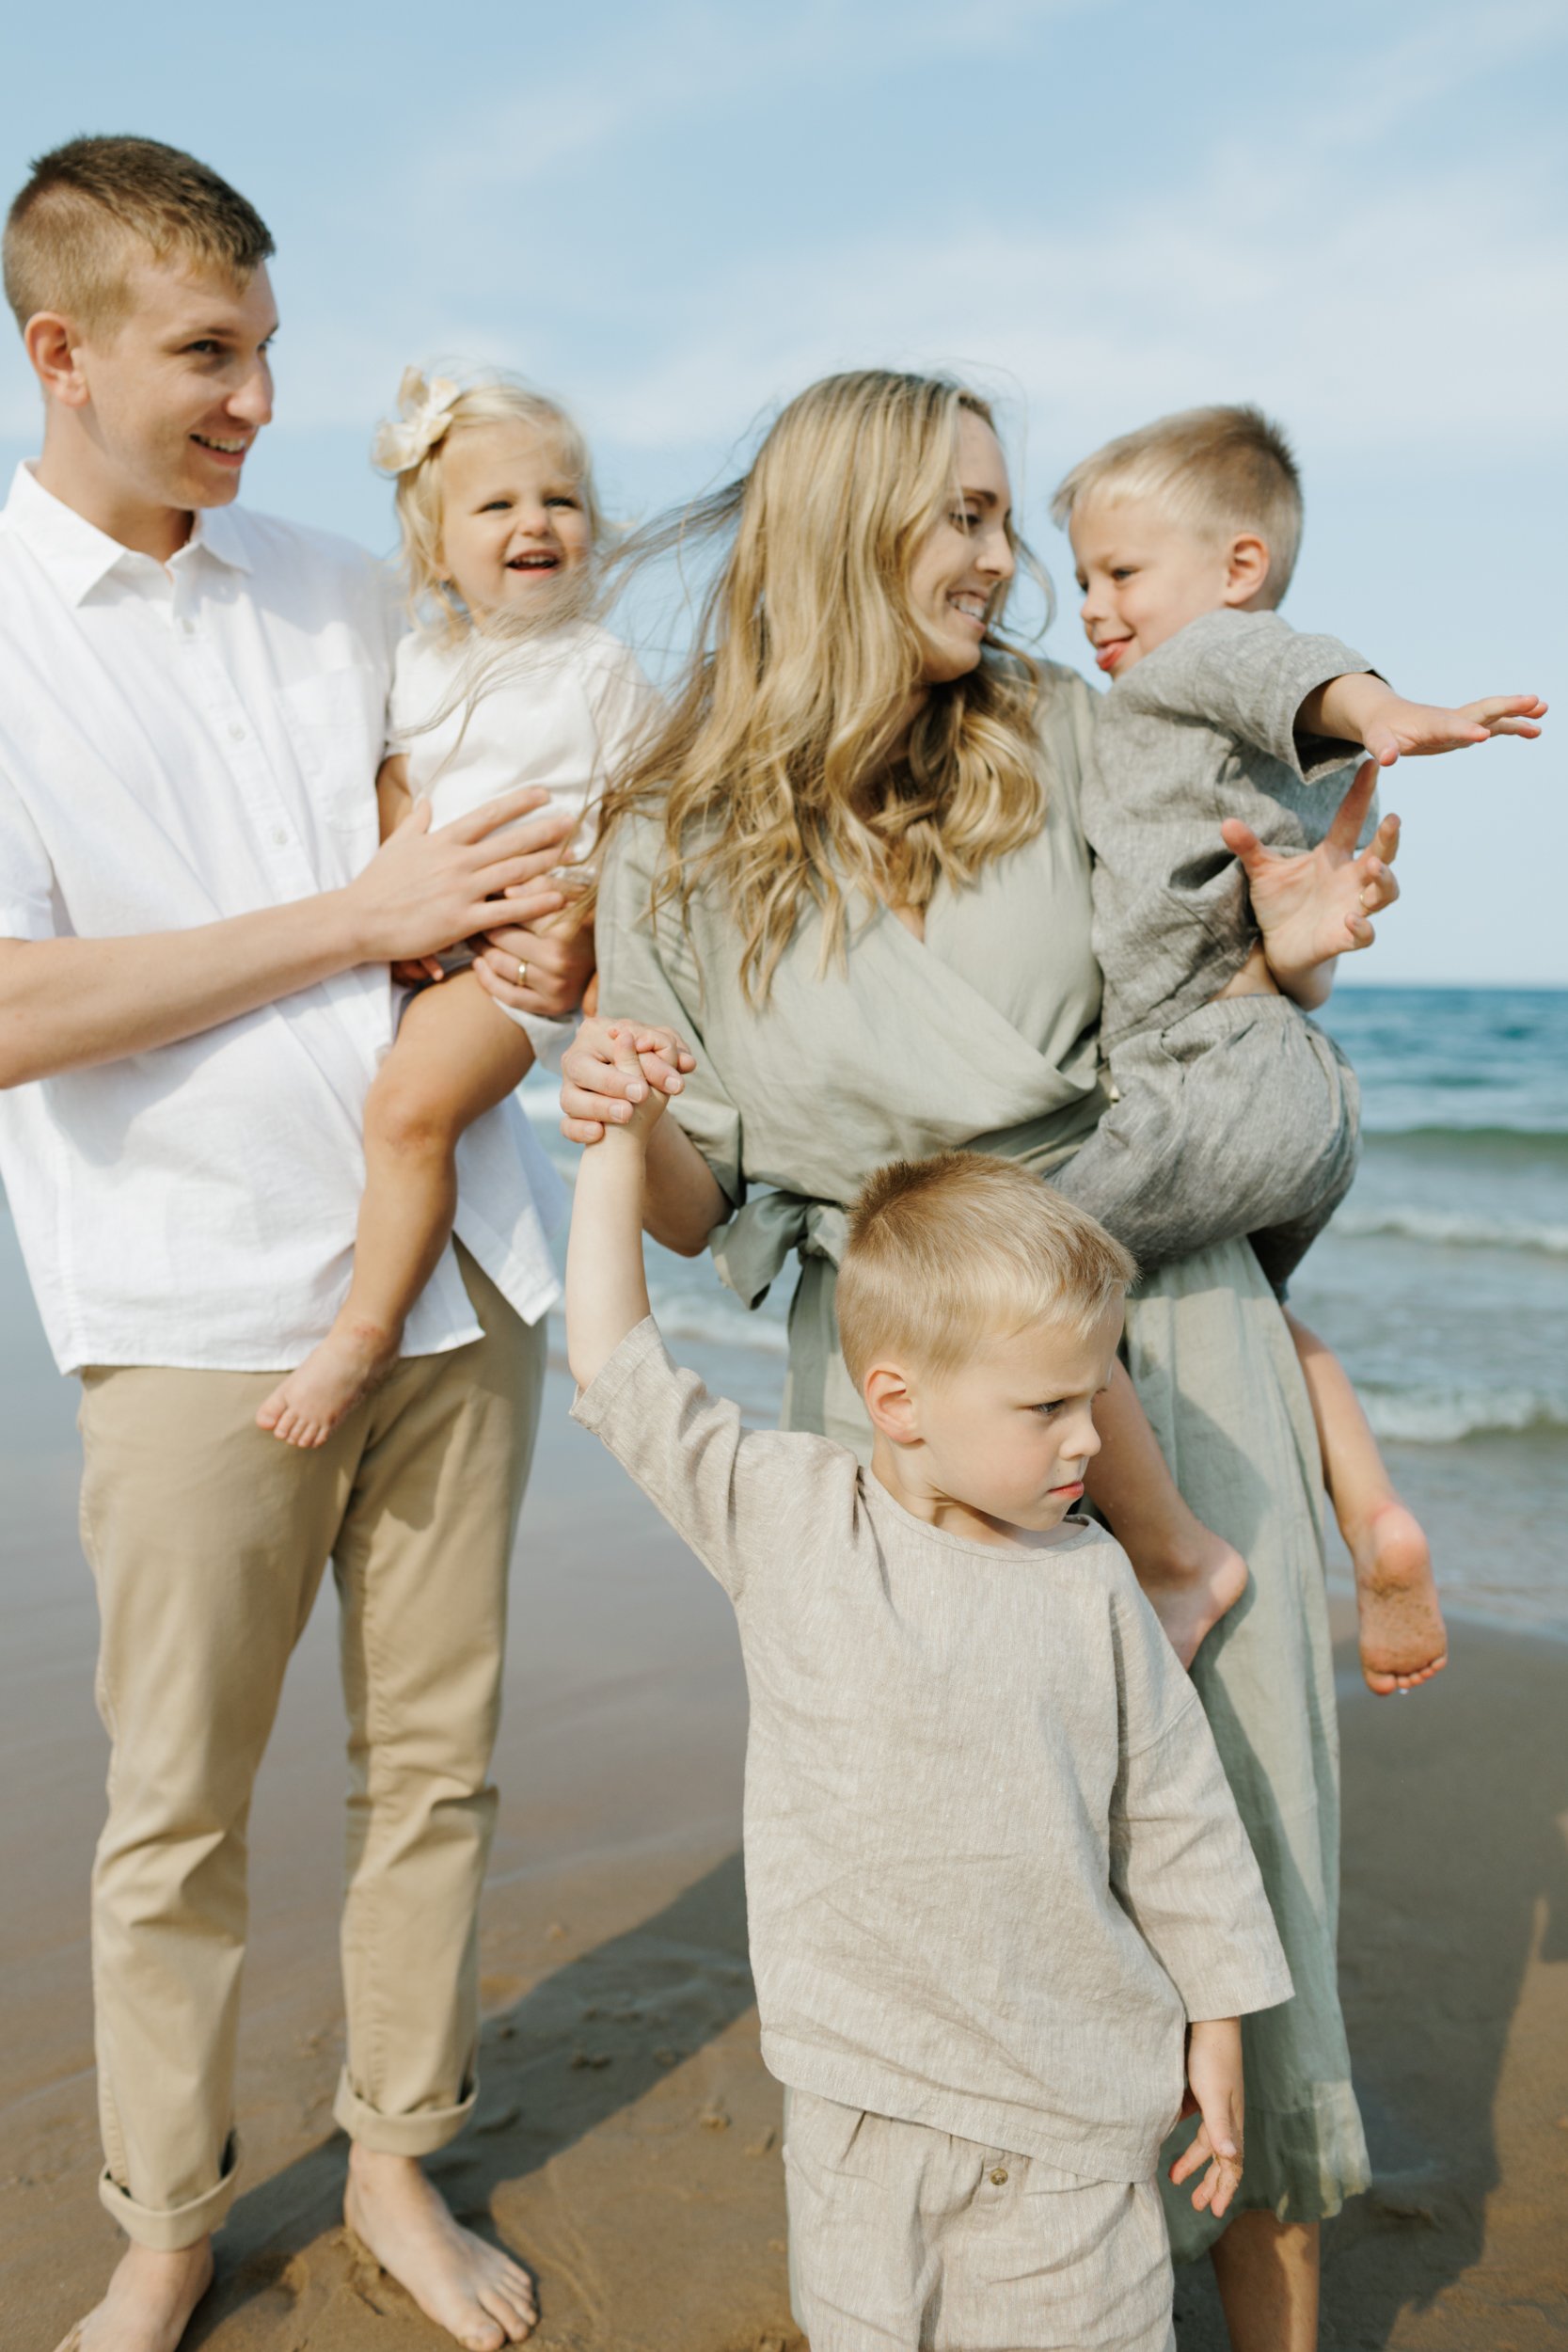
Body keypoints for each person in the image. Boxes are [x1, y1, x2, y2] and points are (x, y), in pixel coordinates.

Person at [554, 370, 1402, 2347]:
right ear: (848, 526)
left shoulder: (1068, 734)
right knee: (959, 1871)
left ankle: (1263, 2299)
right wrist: (611, 1094)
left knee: (1239, 1836)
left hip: (1153, 1313)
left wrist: (1290, 948)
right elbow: (688, 1204)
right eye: (959, 515)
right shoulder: (671, 832)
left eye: (1006, 516)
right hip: (886, 1379)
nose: (1000, 560)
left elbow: (1211, 1004)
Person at [0, 135, 578, 2352]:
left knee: (436, 1766)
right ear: (59, 354)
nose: (251, 399)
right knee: (177, 1809)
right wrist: (357, 920)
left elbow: (523, 824)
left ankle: (401, 2166)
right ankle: (165, 2222)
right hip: (183, 1319)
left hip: (459, 1285)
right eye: (205, 354)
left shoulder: (353, 589)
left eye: (265, 351)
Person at [568, 1099, 1294, 2352]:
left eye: (1094, 1395)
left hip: (1072, 2113)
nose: (1091, 1438)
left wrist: (1215, 2027)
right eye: (1047, 1408)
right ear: (897, 1401)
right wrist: (617, 1144)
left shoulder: (1090, 1581)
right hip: (862, 2103)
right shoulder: (788, 1521)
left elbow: (1175, 1816)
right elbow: (613, 1364)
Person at [1048, 402, 1544, 1697]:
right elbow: (1303, 962)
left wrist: (1385, 709)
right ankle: (1371, 1511)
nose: (1094, 608)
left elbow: (1286, 671)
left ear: (1236, 571)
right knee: (1265, 1318)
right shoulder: (1240, 750)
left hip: (1202, 1076)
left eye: (1119, 573)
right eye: (1081, 580)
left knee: (1025, 1267)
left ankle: (1173, 1556)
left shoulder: (1195, 666)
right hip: (1292, 1082)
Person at [258, 366, 657, 1446]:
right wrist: (407, 861)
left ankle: (362, 1330)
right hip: (425, 937)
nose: (535, 522)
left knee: (407, 1113)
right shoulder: (422, 657)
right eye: (497, 505)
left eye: (559, 501)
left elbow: (646, 821)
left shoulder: (598, 669)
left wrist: (576, 921)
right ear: (437, 548)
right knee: (361, 1105)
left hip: (512, 959)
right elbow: (392, 776)